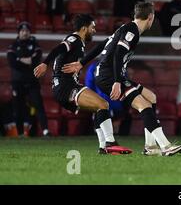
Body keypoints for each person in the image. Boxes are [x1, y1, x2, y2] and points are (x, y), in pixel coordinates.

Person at [62, 2, 181, 156]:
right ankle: (165, 145)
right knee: (143, 105)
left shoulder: (125, 28)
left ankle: (150, 146)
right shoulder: (132, 31)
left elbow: (103, 44)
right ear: (150, 17)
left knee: (151, 97)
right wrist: (117, 82)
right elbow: (118, 54)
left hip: (108, 74)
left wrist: (81, 63)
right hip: (109, 76)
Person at [33, 14, 132, 155]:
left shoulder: (79, 42)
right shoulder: (74, 39)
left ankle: (103, 147)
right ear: (84, 28)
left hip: (66, 86)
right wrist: (44, 63)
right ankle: (110, 142)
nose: (94, 30)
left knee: (99, 109)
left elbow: (97, 48)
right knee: (103, 105)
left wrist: (113, 37)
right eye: (93, 27)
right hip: (66, 87)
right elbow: (59, 49)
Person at [7, 22, 49, 137]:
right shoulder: (13, 46)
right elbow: (12, 62)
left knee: (39, 105)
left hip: (32, 81)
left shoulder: (35, 45)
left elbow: (36, 59)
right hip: (17, 82)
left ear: (30, 33)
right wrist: (27, 60)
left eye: (27, 31)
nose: (25, 33)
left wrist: (20, 59)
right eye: (22, 31)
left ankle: (45, 131)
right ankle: (20, 134)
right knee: (18, 108)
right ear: (19, 32)